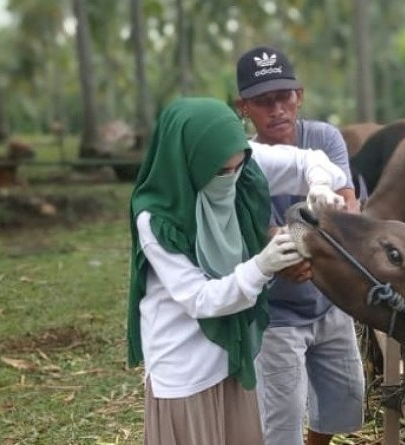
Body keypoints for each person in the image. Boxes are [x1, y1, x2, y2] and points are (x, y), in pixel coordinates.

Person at [127, 96, 349, 445]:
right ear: (189, 163)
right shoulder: (157, 221)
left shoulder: (243, 165)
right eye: (219, 173)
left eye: (236, 169)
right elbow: (200, 300)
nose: (229, 180)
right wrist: (262, 266)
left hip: (233, 352)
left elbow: (310, 161)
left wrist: (319, 184)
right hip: (185, 367)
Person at [235, 45, 365, 445]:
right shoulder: (240, 161)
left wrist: (299, 248)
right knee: (282, 421)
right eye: (263, 101)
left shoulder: (323, 138)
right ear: (244, 108)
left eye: (284, 97)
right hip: (276, 312)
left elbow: (347, 210)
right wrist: (297, 250)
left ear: (299, 96)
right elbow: (261, 231)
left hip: (330, 299)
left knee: (344, 399)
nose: (277, 109)